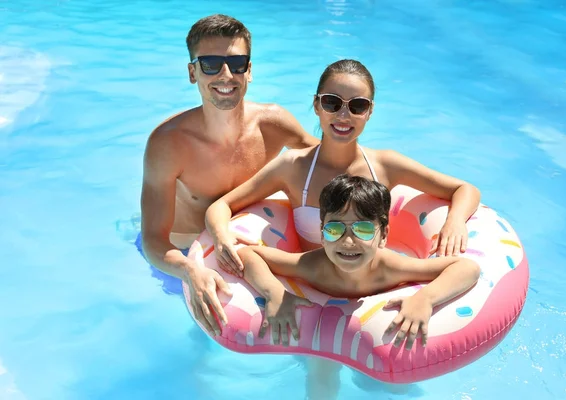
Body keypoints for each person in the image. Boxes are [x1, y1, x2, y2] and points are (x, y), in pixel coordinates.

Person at [204, 58, 481, 399]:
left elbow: (463, 190)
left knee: (390, 380)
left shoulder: (384, 165)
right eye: (332, 103)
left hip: (372, 282)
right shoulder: (293, 167)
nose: (343, 115)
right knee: (321, 381)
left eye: (357, 106)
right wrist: (221, 237)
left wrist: (453, 222)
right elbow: (222, 206)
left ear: (369, 111)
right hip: (314, 282)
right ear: (317, 105)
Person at [140, 14, 319, 336]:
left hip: (251, 245)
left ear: (249, 70)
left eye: (237, 63)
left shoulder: (273, 123)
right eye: (210, 64)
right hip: (182, 250)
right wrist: (189, 270)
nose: (226, 75)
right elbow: (154, 239)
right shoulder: (168, 144)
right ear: (192, 72)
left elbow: (335, 162)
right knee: (202, 334)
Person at [234, 174, 481, 399]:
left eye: (362, 229)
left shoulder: (390, 268)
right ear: (321, 234)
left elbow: (467, 268)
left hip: (374, 337)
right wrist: (275, 292)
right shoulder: (313, 266)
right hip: (323, 334)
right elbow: (248, 255)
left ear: (383, 235)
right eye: (334, 229)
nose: (348, 241)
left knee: (393, 384)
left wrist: (426, 298)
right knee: (321, 375)